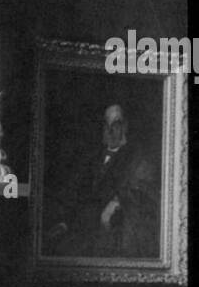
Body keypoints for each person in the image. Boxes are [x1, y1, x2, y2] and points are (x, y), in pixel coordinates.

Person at [45, 104, 159, 257]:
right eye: (106, 125)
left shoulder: (137, 158)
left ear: (125, 127)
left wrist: (117, 201)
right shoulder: (92, 157)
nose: (110, 130)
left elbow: (142, 191)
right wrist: (63, 220)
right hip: (78, 224)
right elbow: (75, 191)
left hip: (107, 230)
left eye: (116, 125)